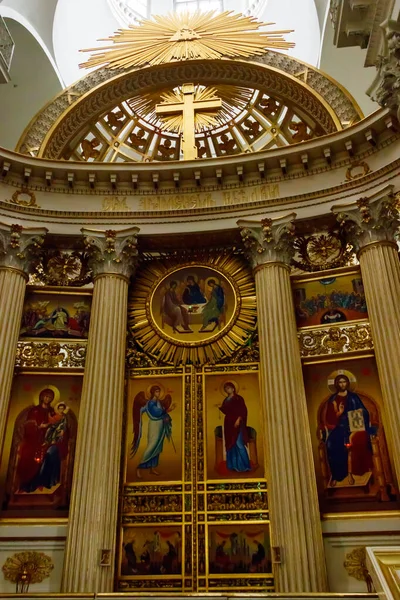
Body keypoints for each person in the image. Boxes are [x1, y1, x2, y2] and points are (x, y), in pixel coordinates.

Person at [322, 374, 375, 486]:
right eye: (340, 382)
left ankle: (352, 473)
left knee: (351, 442)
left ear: (347, 383)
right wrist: (339, 413)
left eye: (344, 382)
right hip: (339, 427)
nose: (342, 384)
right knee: (331, 444)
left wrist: (358, 413)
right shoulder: (333, 399)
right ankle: (337, 475)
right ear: (337, 384)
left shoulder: (354, 397)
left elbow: (364, 412)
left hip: (355, 427)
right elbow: (329, 419)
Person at [131, 386, 175, 479]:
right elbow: (156, 412)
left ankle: (152, 468)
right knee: (152, 445)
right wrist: (168, 410)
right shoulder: (150, 403)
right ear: (152, 393)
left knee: (158, 446)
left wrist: (166, 415)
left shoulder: (158, 402)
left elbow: (162, 412)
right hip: (154, 425)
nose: (158, 394)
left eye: (159, 392)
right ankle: (139, 467)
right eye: (156, 392)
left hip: (160, 425)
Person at [217, 382, 251, 472]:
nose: (227, 390)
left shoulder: (238, 398)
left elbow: (243, 410)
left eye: (228, 388)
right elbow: (227, 411)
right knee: (231, 444)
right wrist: (221, 408)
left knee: (239, 443)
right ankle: (233, 465)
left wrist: (238, 419)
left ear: (233, 388)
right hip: (228, 423)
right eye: (226, 389)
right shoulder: (226, 400)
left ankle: (246, 465)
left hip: (237, 423)